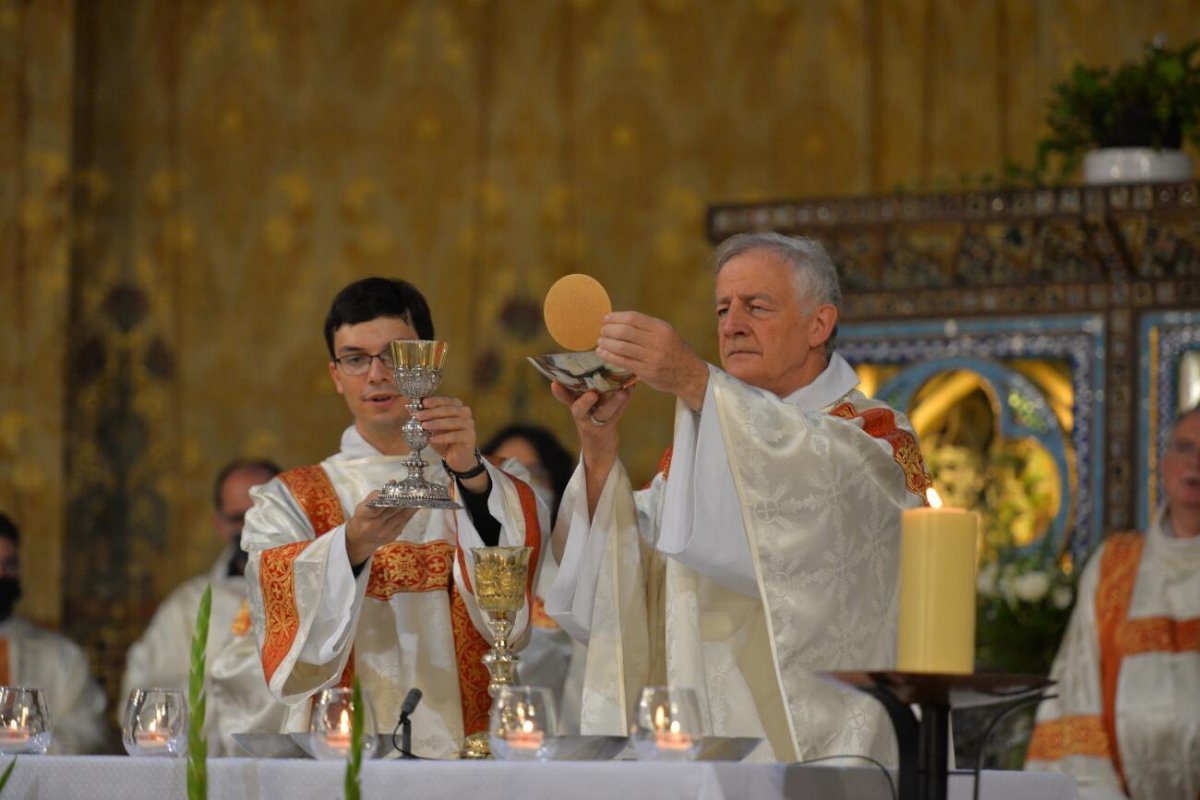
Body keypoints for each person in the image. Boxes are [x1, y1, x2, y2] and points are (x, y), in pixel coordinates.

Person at [545, 231, 932, 763]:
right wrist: (598, 451)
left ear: (819, 324)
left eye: (757, 306)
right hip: (704, 747)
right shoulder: (699, 446)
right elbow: (622, 580)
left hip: (819, 756)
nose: (732, 325)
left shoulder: (873, 437)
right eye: (723, 309)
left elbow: (814, 496)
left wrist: (692, 376)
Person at [242, 277, 544, 759]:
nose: (377, 374)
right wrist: (350, 547)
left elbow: (512, 610)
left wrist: (470, 472)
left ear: (428, 362)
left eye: (395, 354)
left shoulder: (493, 479)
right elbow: (276, 616)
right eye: (356, 359)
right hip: (343, 754)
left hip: (471, 747)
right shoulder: (291, 499)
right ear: (335, 374)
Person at [1026, 405, 1200, 799]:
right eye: (1185, 448)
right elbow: (1076, 692)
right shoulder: (1115, 566)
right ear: (1164, 462)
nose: (1195, 464)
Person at [121, 458, 284, 755]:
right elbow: (141, 704)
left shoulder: (324, 593)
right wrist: (231, 692)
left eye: (263, 512)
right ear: (219, 524)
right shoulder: (187, 605)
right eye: (238, 518)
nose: (251, 527)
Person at [481, 423, 582, 732]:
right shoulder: (464, 568)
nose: (523, 486)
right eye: (507, 476)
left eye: (534, 473)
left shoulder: (578, 568)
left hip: (560, 731)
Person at [0, 512, 107, 754]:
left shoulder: (61, 657)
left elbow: (90, 731)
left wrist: (27, 740)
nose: (1, 575)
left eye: (9, 565)